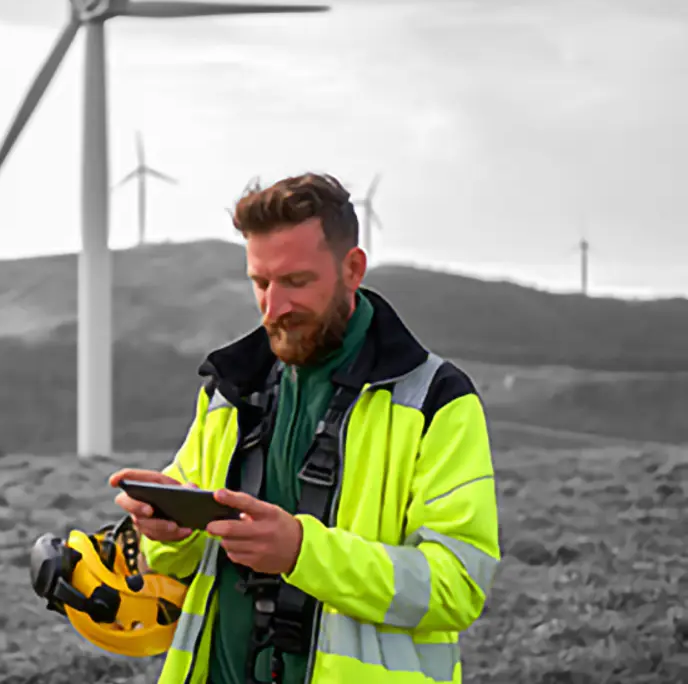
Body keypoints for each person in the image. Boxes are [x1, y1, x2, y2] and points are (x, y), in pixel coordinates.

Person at [109, 172, 500, 684]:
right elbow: (181, 562)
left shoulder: (435, 400)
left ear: (352, 269)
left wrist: (301, 552)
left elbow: (457, 585)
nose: (274, 308)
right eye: (261, 283)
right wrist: (166, 529)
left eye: (296, 282)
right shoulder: (229, 390)